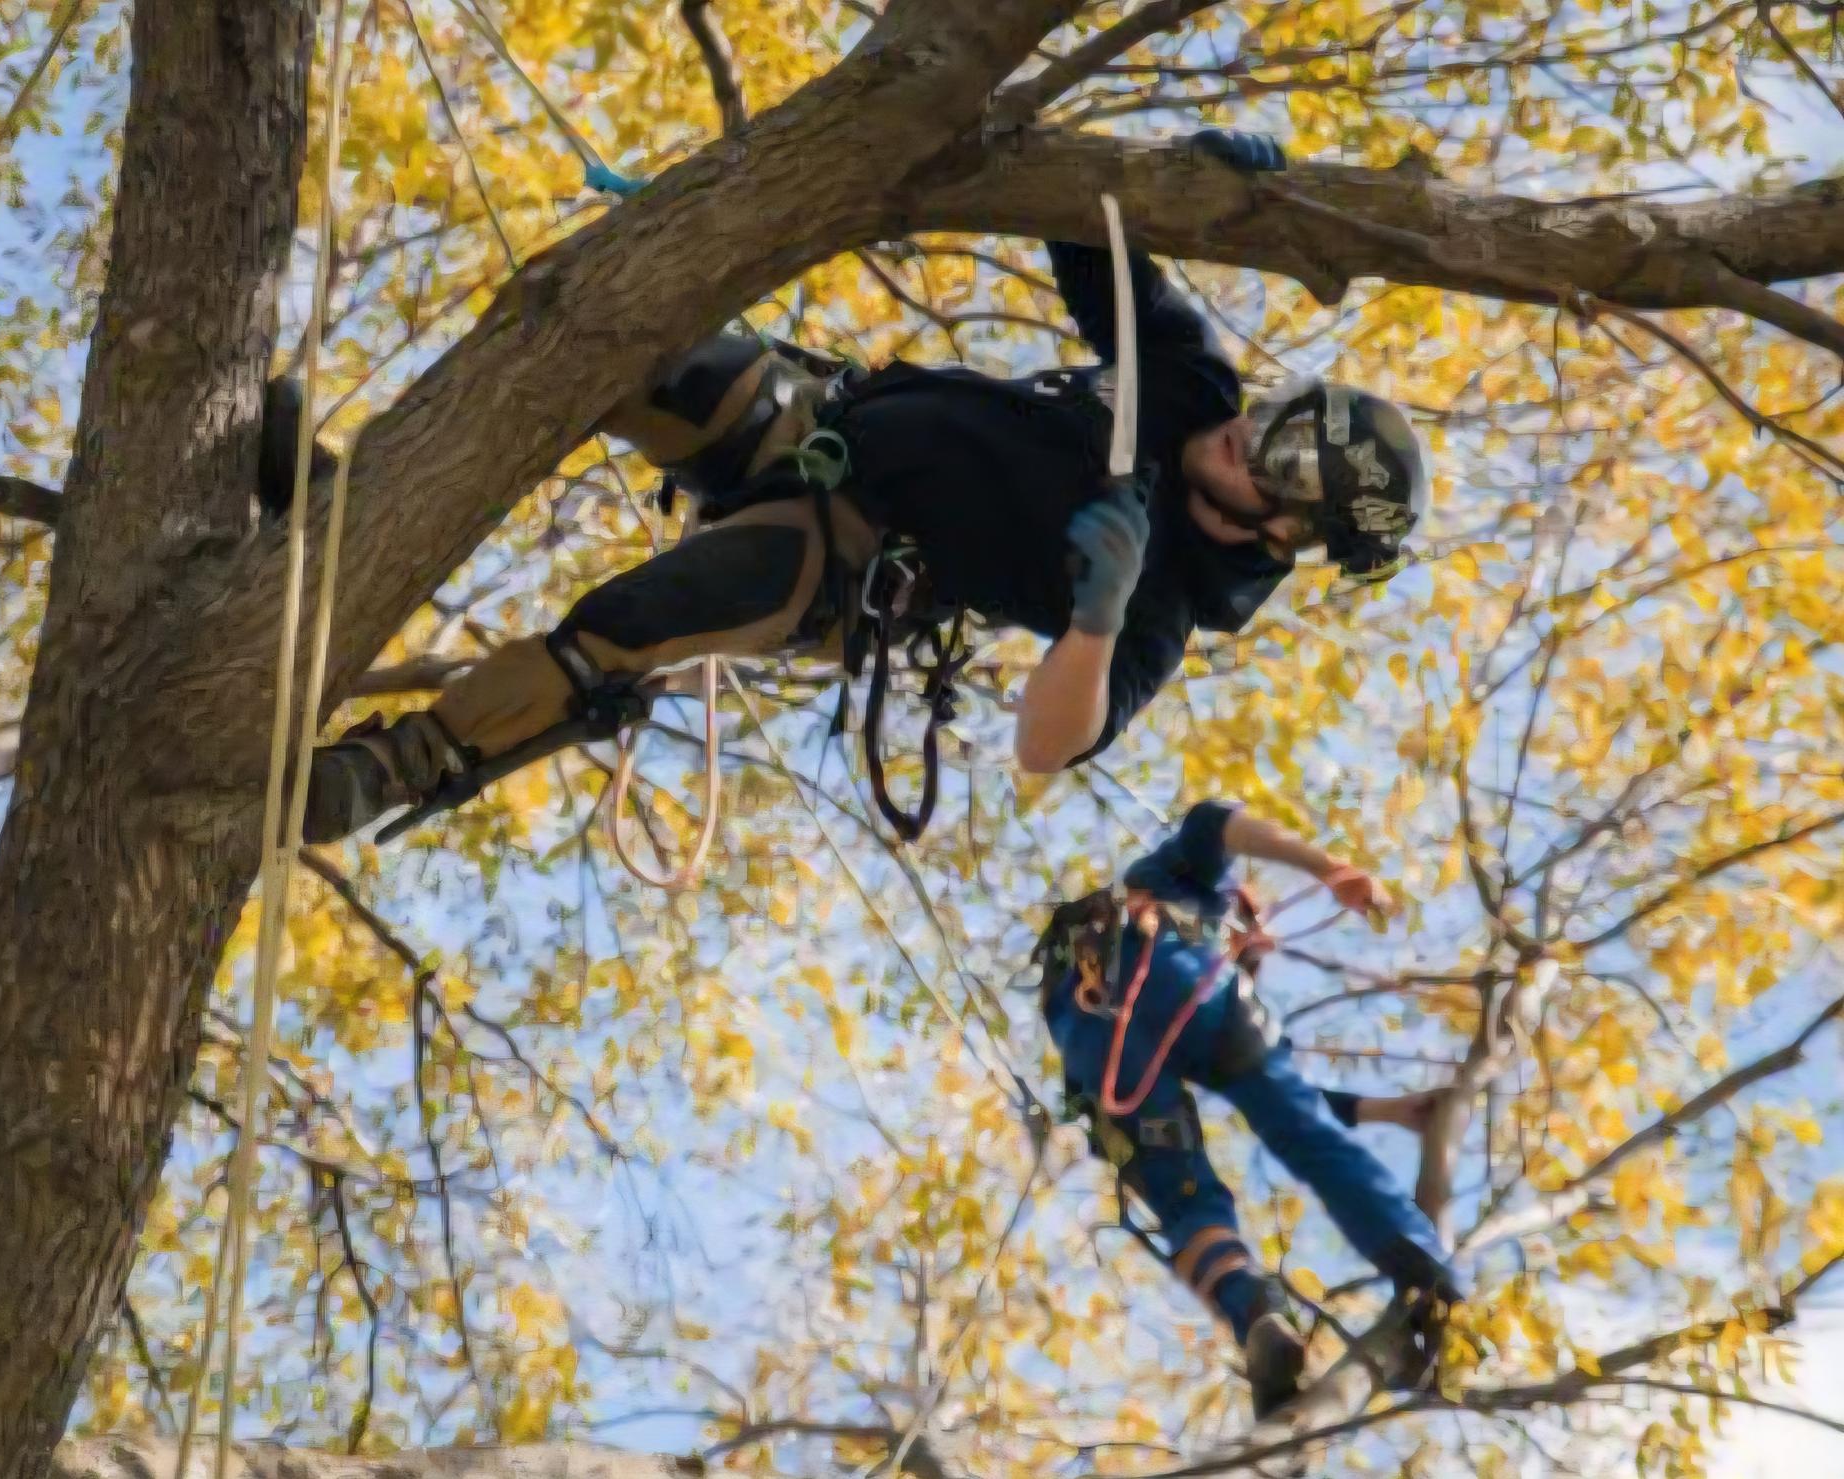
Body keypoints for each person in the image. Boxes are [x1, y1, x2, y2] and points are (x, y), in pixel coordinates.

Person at [267, 129, 1431, 846]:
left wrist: (1094, 616)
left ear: (1285, 530)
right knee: (606, 329)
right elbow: (1093, 235)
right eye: (1279, 415)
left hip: (851, 560)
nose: (1245, 436)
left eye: (1282, 461)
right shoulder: (1186, 382)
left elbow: (1048, 742)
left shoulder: (1162, 603)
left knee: (634, 622)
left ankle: (391, 771)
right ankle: (359, 506)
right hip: (818, 423)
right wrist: (1193, 177)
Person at [1031, 799, 1462, 1419]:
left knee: (1185, 1202)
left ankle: (1258, 1315)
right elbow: (1217, 820)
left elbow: (1297, 1096)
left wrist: (1389, 1111)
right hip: (1173, 973)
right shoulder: (1178, 883)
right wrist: (1329, 866)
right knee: (1307, 1139)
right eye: (1251, 939)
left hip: (1092, 1045)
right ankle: (1430, 1273)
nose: (1258, 951)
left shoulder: (1088, 968)